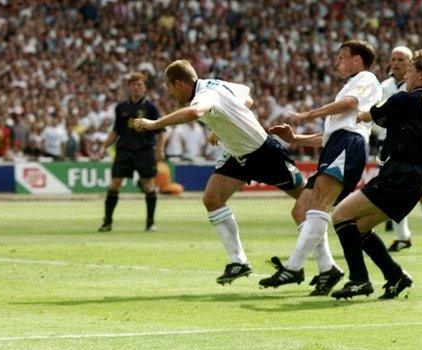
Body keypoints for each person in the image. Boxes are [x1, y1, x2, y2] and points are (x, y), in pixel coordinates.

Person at [134, 60, 305, 285]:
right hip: (237, 153)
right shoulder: (216, 84)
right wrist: (224, 121)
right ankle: (239, 261)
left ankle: (325, 266)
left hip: (263, 152)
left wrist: (153, 124)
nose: (170, 93)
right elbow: (247, 97)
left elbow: (195, 111)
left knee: (308, 201)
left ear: (179, 83)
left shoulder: (204, 95)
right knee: (212, 198)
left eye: (169, 87)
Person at [260, 40, 382, 295]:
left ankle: (293, 267)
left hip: (348, 144)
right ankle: (328, 269)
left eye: (342, 57)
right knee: (301, 209)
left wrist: (307, 115)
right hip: (337, 143)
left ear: (357, 60)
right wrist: (296, 139)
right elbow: (329, 134)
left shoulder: (367, 78)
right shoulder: (349, 85)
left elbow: (350, 107)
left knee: (319, 204)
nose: (337, 63)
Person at [330, 47, 422, 299]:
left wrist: (358, 115)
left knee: (340, 215)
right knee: (359, 227)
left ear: (421, 76)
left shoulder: (406, 98)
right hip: (416, 178)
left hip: (397, 174)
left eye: (410, 69)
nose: (406, 74)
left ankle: (359, 279)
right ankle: (395, 275)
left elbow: (371, 114)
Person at [378, 46, 422, 254]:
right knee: (395, 192)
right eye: (393, 58)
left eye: (402, 59)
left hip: (414, 149)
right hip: (389, 146)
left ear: (412, 64)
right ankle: (403, 236)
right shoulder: (384, 86)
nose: (396, 62)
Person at [97, 72, 165, 232]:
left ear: (145, 88)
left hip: (145, 150)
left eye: (140, 85)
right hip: (124, 150)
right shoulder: (121, 108)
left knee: (149, 186)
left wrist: (160, 149)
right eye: (134, 85)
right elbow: (115, 131)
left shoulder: (151, 108)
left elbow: (161, 131)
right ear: (129, 87)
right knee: (115, 184)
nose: (136, 88)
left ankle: (150, 222)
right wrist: (104, 147)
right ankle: (107, 222)